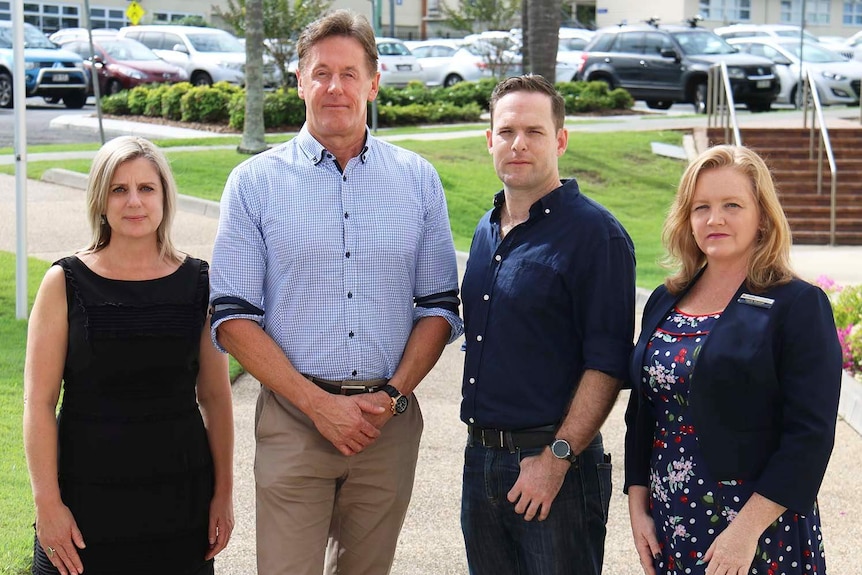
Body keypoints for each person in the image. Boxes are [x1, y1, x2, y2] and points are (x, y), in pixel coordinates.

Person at [208, 9, 462, 575]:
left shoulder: (417, 180)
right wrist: (318, 405)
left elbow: (440, 305)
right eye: (321, 72)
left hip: (386, 423)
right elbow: (231, 316)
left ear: (373, 83)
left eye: (349, 74)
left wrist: (393, 397)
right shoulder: (253, 184)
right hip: (294, 421)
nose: (335, 87)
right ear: (299, 82)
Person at [625, 145, 842, 575]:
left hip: (759, 530)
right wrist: (638, 505)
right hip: (672, 519)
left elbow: (810, 436)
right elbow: (642, 412)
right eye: (701, 207)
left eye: (732, 205)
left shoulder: (797, 305)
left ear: (762, 216)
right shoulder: (665, 299)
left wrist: (746, 531)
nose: (714, 219)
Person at [23, 136, 235, 575]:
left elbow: (215, 397)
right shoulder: (65, 282)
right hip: (82, 505)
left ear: (164, 197)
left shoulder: (200, 283)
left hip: (180, 504)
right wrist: (48, 504)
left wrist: (223, 493)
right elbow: (39, 404)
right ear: (100, 201)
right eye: (119, 189)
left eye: (146, 188)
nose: (134, 201)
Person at [459, 74, 636, 575]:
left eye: (534, 132)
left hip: (555, 466)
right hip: (482, 462)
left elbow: (606, 363)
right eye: (506, 130)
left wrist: (555, 460)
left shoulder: (595, 235)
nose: (518, 143)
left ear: (560, 140)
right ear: (488, 139)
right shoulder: (486, 228)